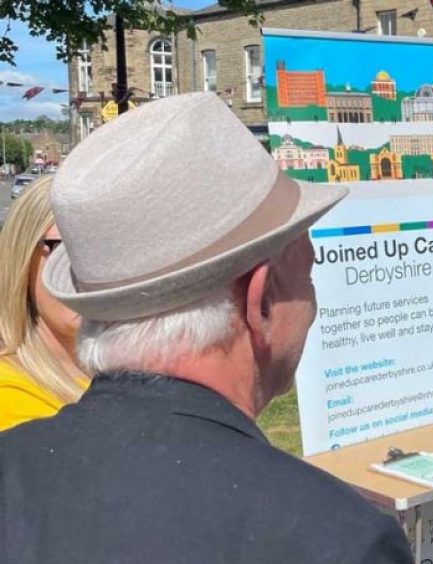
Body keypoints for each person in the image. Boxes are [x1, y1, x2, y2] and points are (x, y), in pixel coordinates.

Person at [0, 93, 412, 563]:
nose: (313, 302)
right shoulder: (334, 538)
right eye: (309, 273)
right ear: (261, 301)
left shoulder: (11, 473)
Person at [0, 175, 86, 431]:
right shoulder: (10, 395)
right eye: (63, 249)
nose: (85, 271)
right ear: (23, 261)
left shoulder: (135, 373)